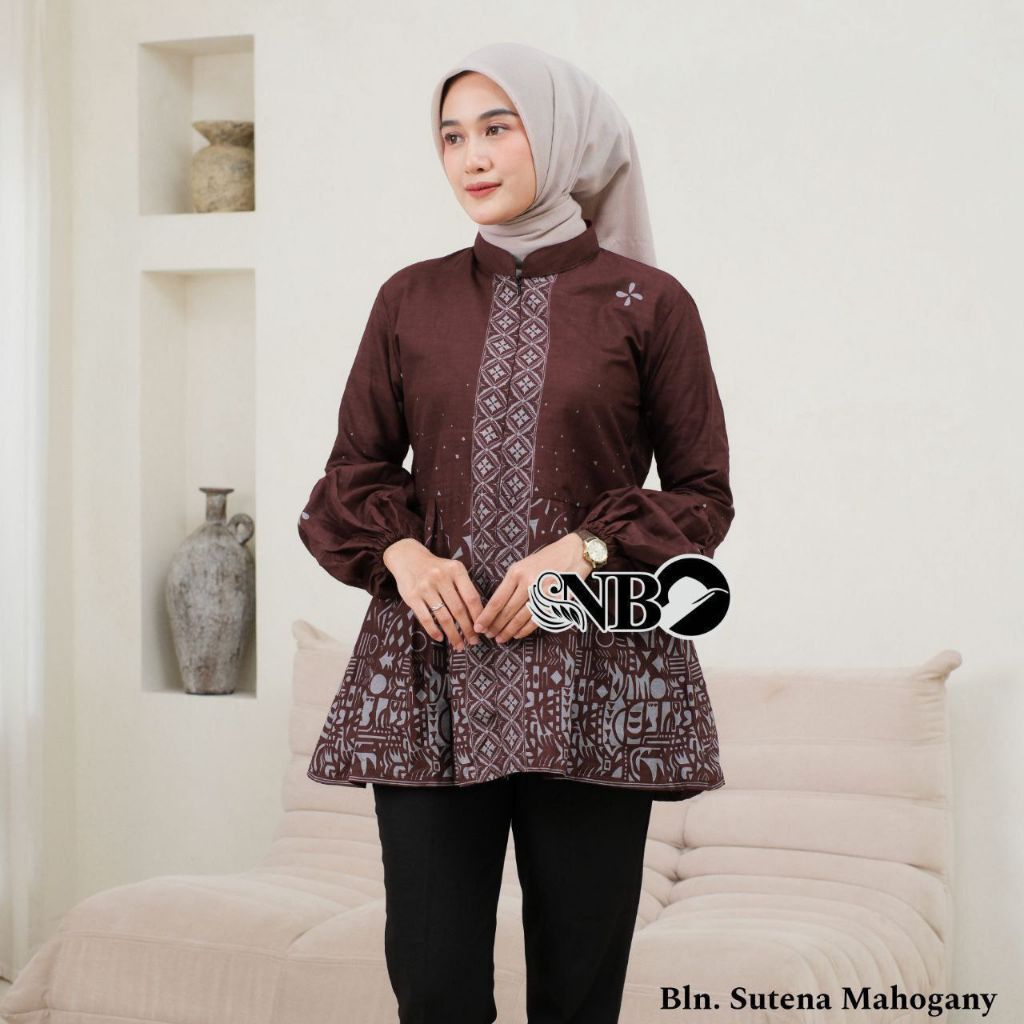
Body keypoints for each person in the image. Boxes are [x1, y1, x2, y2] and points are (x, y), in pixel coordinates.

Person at [297, 41, 735, 1024]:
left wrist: (583, 554)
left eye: (498, 128)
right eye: (452, 136)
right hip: (431, 675)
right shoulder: (409, 299)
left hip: (596, 673)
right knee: (434, 985)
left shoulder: (648, 303)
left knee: (577, 995)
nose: (472, 156)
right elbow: (351, 472)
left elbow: (703, 496)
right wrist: (403, 554)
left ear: (560, 136)